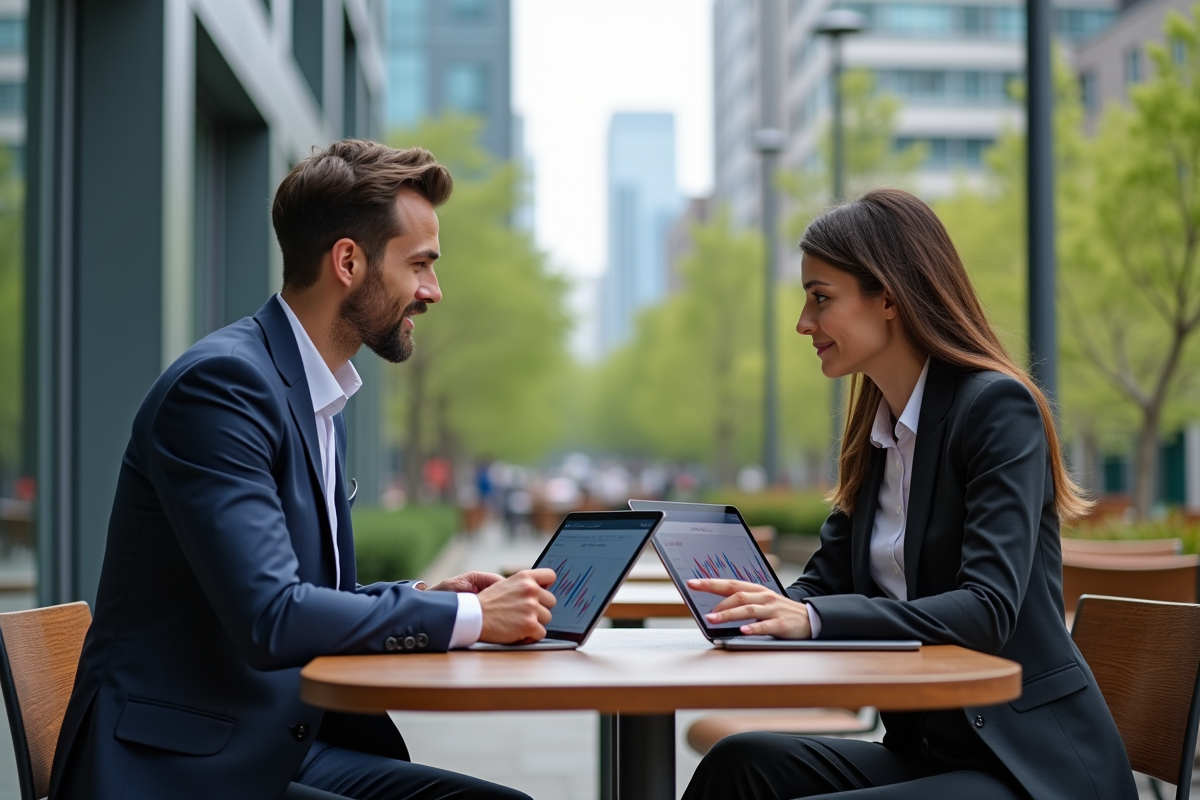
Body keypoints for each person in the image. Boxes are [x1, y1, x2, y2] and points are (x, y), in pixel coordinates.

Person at [49, 140, 558, 800]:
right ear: (348, 261)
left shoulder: (313, 393)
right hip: (176, 769)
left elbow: (304, 599)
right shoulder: (223, 387)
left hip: (265, 747)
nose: (433, 290)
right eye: (421, 265)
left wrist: (436, 601)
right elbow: (272, 617)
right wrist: (471, 618)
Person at [681, 189, 1136, 800]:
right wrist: (758, 610)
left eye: (821, 298)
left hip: (1031, 769)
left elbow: (987, 610)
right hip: (933, 754)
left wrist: (810, 620)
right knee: (741, 764)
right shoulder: (878, 434)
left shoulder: (997, 409)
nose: (803, 322)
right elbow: (826, 581)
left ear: (889, 297)